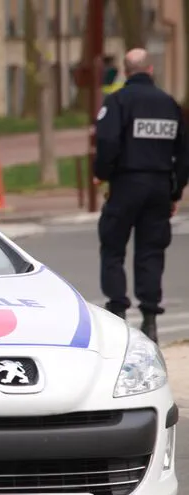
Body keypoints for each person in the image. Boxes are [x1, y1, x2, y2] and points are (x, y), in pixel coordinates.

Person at [94, 48, 189, 343]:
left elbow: (107, 140)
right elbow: (183, 153)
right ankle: (150, 319)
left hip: (126, 184)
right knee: (151, 253)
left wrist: (105, 173)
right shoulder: (169, 104)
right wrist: (175, 190)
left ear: (126, 71)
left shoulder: (118, 101)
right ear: (150, 71)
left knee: (112, 248)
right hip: (160, 186)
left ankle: (118, 312)